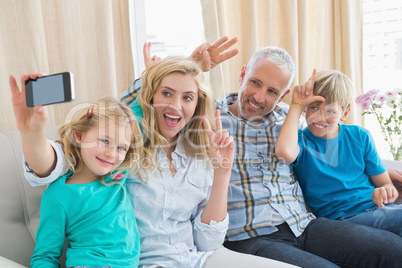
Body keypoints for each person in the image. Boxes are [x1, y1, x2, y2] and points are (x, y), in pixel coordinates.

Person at [14, 43, 297, 267]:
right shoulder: (123, 146)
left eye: (187, 97)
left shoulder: (199, 153)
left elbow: (208, 242)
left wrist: (223, 170)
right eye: (166, 93)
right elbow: (55, 163)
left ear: (197, 105)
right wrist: (31, 134)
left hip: (198, 260)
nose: (175, 105)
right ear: (150, 97)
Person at [10, 75, 142, 267]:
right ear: (79, 136)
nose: (112, 154)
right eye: (104, 141)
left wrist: (151, 72)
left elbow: (141, 109)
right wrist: (31, 133)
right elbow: (45, 256)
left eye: (121, 148)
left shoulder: (118, 174)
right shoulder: (58, 196)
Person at [275, 69, 402, 237]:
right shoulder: (300, 142)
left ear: (345, 113)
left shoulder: (360, 136)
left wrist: (385, 192)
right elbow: (284, 152)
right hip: (342, 221)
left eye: (330, 111)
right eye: (313, 107)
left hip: (378, 210)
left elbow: (386, 185)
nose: (320, 117)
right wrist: (296, 105)